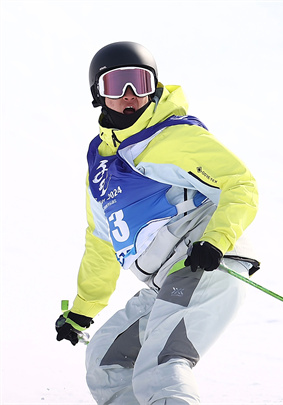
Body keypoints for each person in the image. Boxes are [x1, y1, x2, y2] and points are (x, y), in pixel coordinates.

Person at [55, 41, 260, 404]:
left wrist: (215, 240)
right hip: (166, 279)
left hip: (204, 261)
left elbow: (240, 184)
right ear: (98, 95)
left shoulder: (173, 135)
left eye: (139, 82)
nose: (130, 95)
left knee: (160, 365)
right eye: (116, 85)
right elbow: (102, 243)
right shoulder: (100, 167)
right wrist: (81, 312)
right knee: (106, 361)